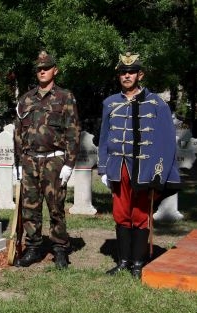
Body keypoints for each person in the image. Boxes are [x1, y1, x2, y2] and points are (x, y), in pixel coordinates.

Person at [98, 52, 181, 279]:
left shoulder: (157, 103)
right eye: (123, 72)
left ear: (140, 74)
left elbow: (166, 140)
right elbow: (104, 137)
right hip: (119, 166)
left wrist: (159, 172)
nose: (127, 76)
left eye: (131, 72)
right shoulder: (110, 103)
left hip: (144, 169)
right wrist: (104, 168)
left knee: (140, 214)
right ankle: (123, 261)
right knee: (121, 213)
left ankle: (138, 263)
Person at [13, 51, 80, 269]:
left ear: (55, 70)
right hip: (30, 160)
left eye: (47, 68)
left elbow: (73, 131)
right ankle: (33, 247)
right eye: (39, 69)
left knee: (56, 207)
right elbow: (18, 133)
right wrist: (18, 164)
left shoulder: (65, 97)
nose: (42, 71)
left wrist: (69, 163)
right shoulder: (26, 99)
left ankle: (60, 248)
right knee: (29, 207)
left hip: (54, 161)